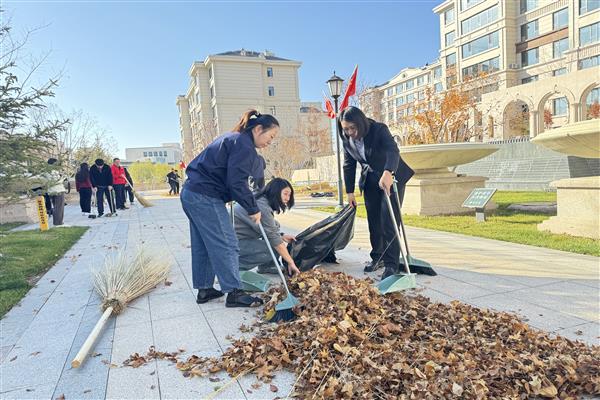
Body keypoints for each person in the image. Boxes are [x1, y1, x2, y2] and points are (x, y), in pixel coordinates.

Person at [180, 109, 278, 307]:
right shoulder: (244, 145)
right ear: (258, 129)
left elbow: (230, 177)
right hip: (205, 196)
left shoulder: (234, 138)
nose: (270, 141)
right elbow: (237, 182)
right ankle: (234, 292)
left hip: (191, 193)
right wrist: (253, 208)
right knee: (227, 242)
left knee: (203, 244)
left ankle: (205, 289)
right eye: (271, 136)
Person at [338, 106, 414, 280]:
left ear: (361, 123)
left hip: (391, 178)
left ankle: (391, 264)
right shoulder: (347, 139)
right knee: (374, 221)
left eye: (352, 128)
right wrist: (349, 192)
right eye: (346, 129)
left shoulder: (378, 129)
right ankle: (378, 257)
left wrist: (388, 172)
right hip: (370, 180)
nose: (349, 132)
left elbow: (393, 151)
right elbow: (348, 164)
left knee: (389, 221)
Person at [235, 178, 300, 276]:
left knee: (275, 229)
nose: (288, 198)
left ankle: (267, 266)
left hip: (237, 238)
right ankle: (232, 269)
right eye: (285, 194)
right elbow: (274, 239)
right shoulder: (262, 206)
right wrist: (291, 262)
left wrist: (281, 235)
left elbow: (269, 228)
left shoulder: (260, 200)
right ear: (275, 192)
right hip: (231, 241)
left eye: (289, 195)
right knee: (274, 248)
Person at [45, 158, 67, 226]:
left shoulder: (46, 171)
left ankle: (57, 222)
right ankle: (58, 222)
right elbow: (56, 181)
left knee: (56, 207)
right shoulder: (53, 171)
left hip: (52, 191)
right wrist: (63, 177)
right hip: (58, 190)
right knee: (59, 207)